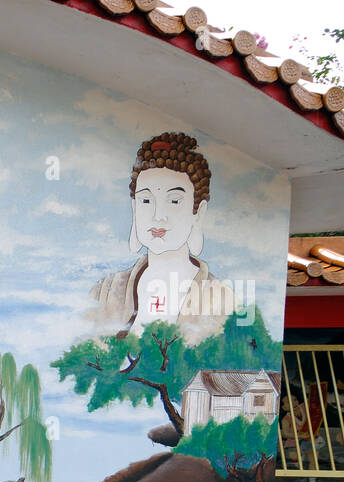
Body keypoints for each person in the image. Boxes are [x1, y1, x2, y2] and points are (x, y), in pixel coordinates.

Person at [86, 132, 235, 345]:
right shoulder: (106, 291)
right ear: (134, 207)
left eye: (174, 201)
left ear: (198, 212)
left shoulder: (220, 298)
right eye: (146, 200)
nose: (158, 216)